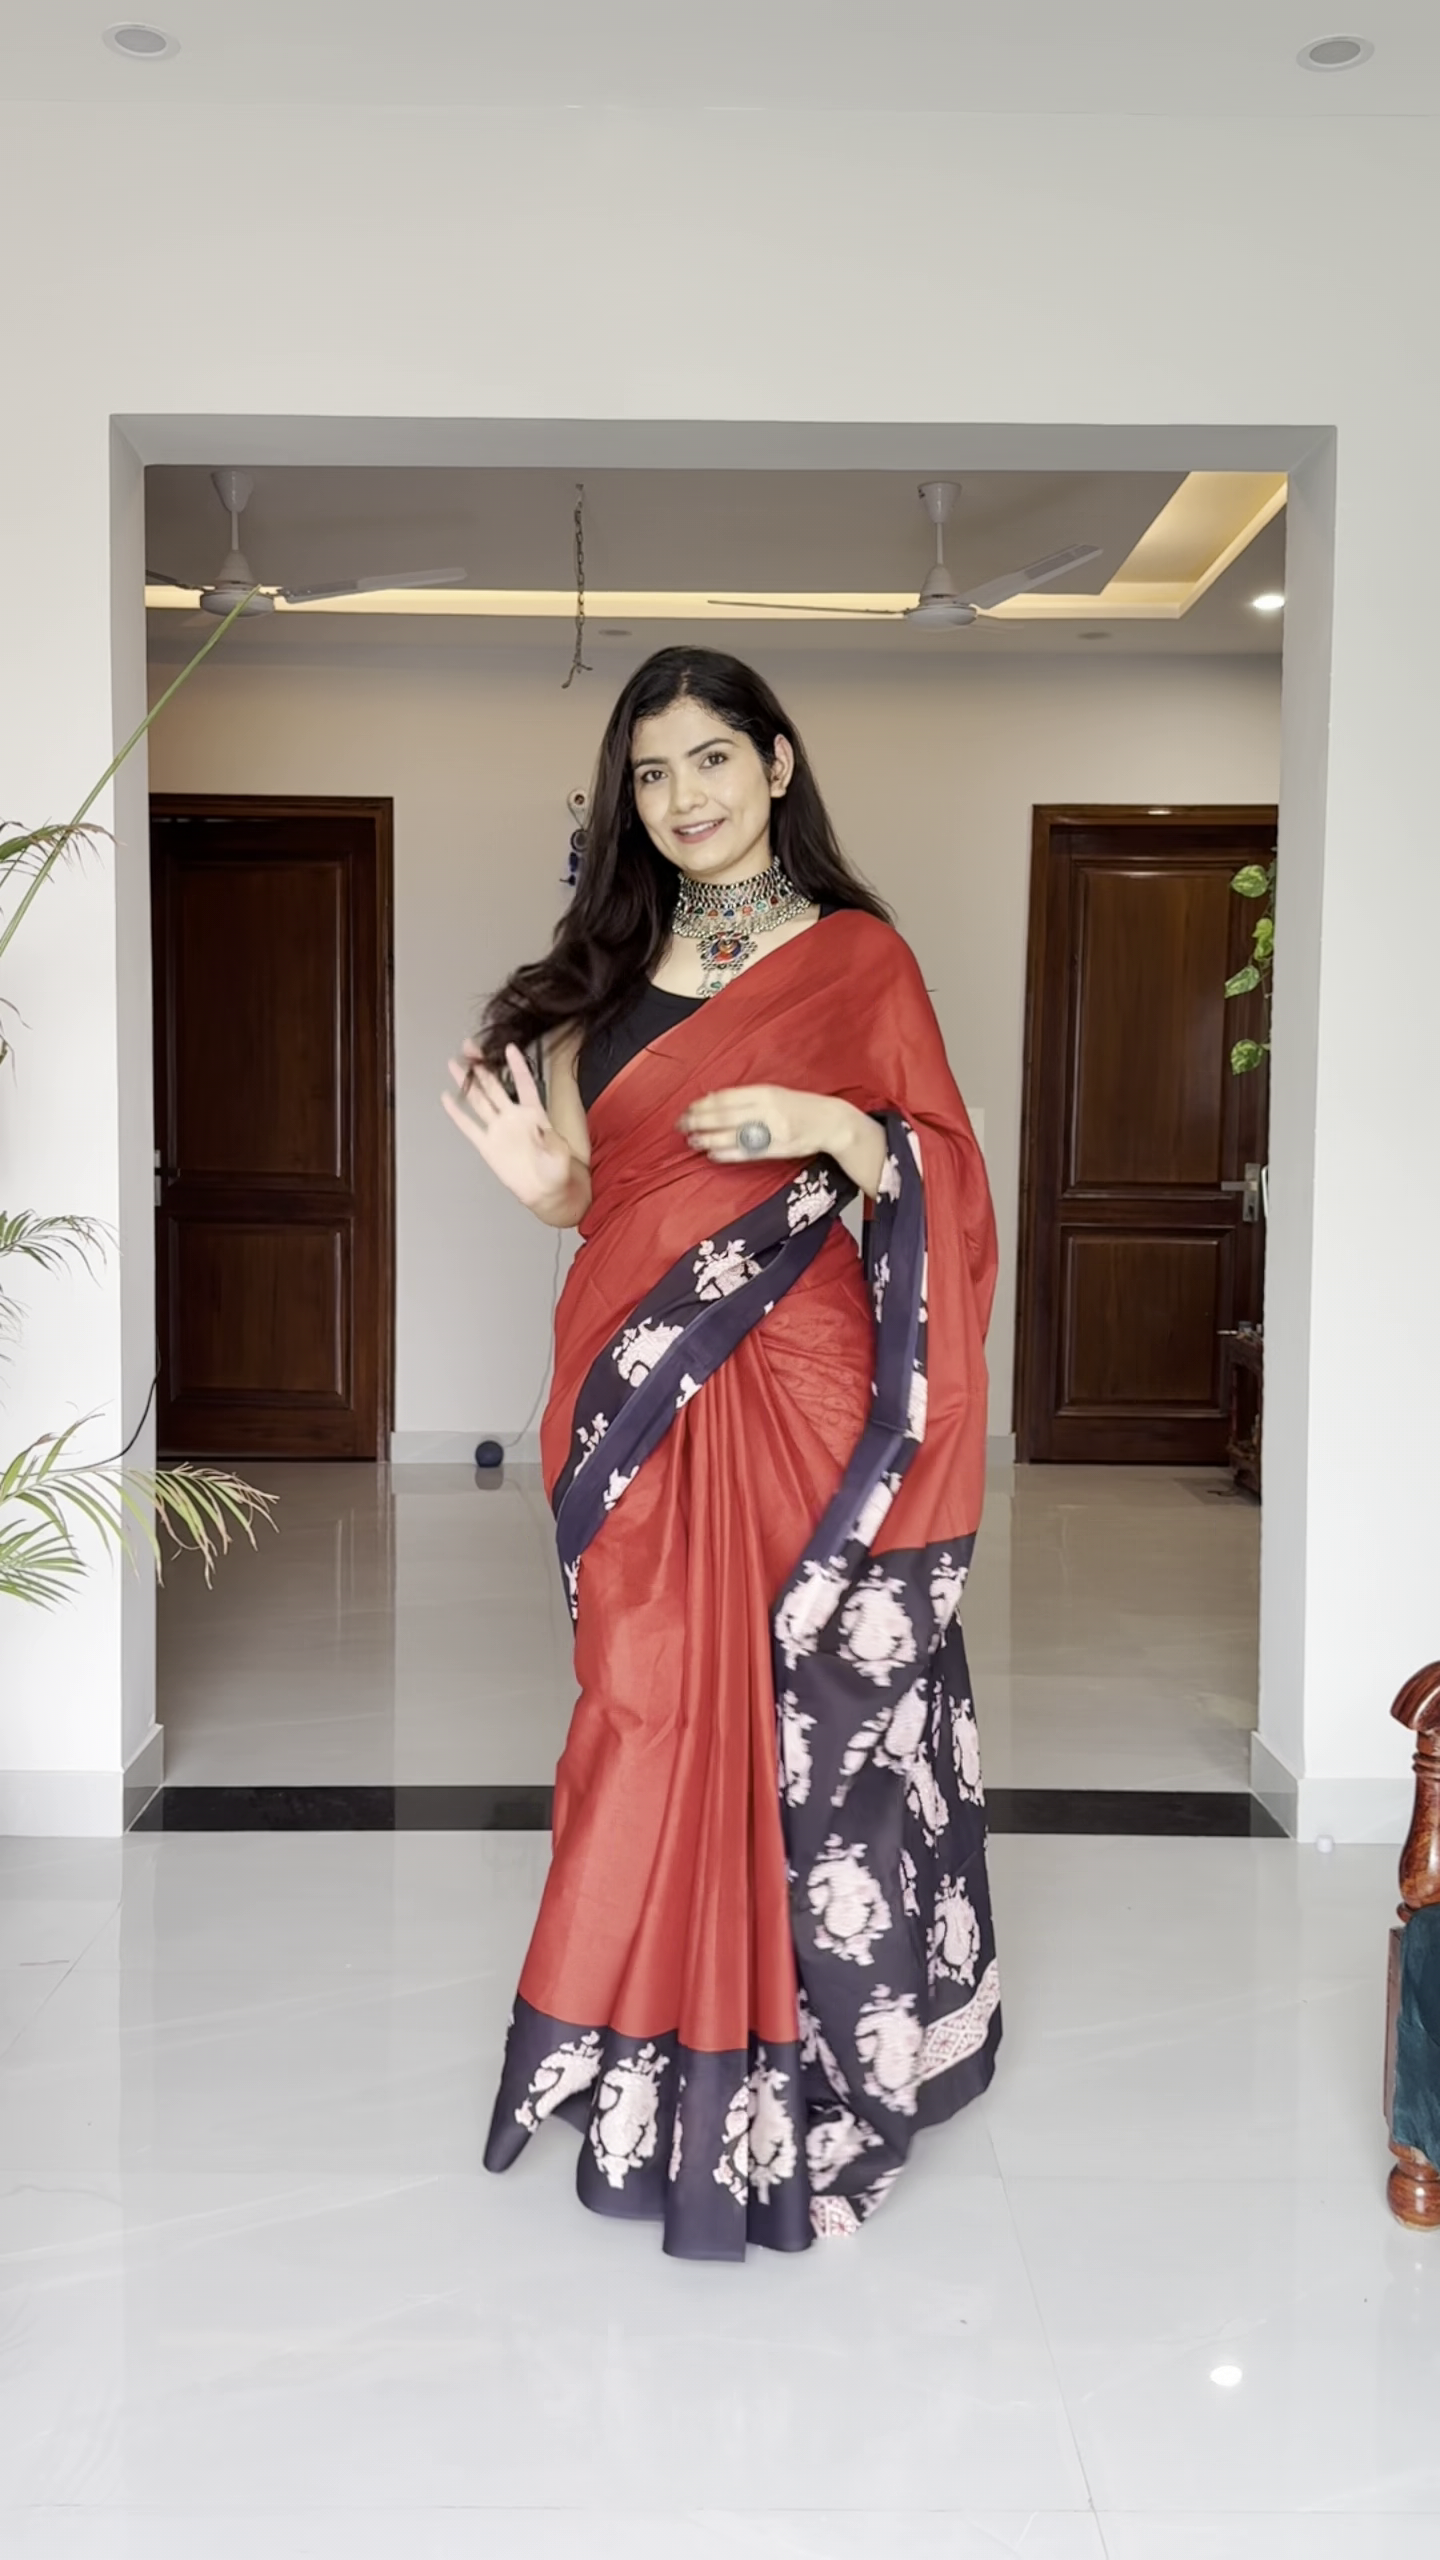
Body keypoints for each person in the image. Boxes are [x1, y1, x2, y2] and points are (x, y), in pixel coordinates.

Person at [443, 646, 1000, 2260]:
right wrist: (546, 1188)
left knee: (810, 1736)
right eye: (650, 773)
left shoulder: (858, 960)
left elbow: (948, 1185)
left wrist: (829, 1126)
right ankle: (649, 2056)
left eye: (709, 760)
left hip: (811, 1407)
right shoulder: (602, 973)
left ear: (776, 763)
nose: (682, 797)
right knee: (647, 1710)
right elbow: (601, 1199)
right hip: (634, 1397)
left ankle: (823, 2071)